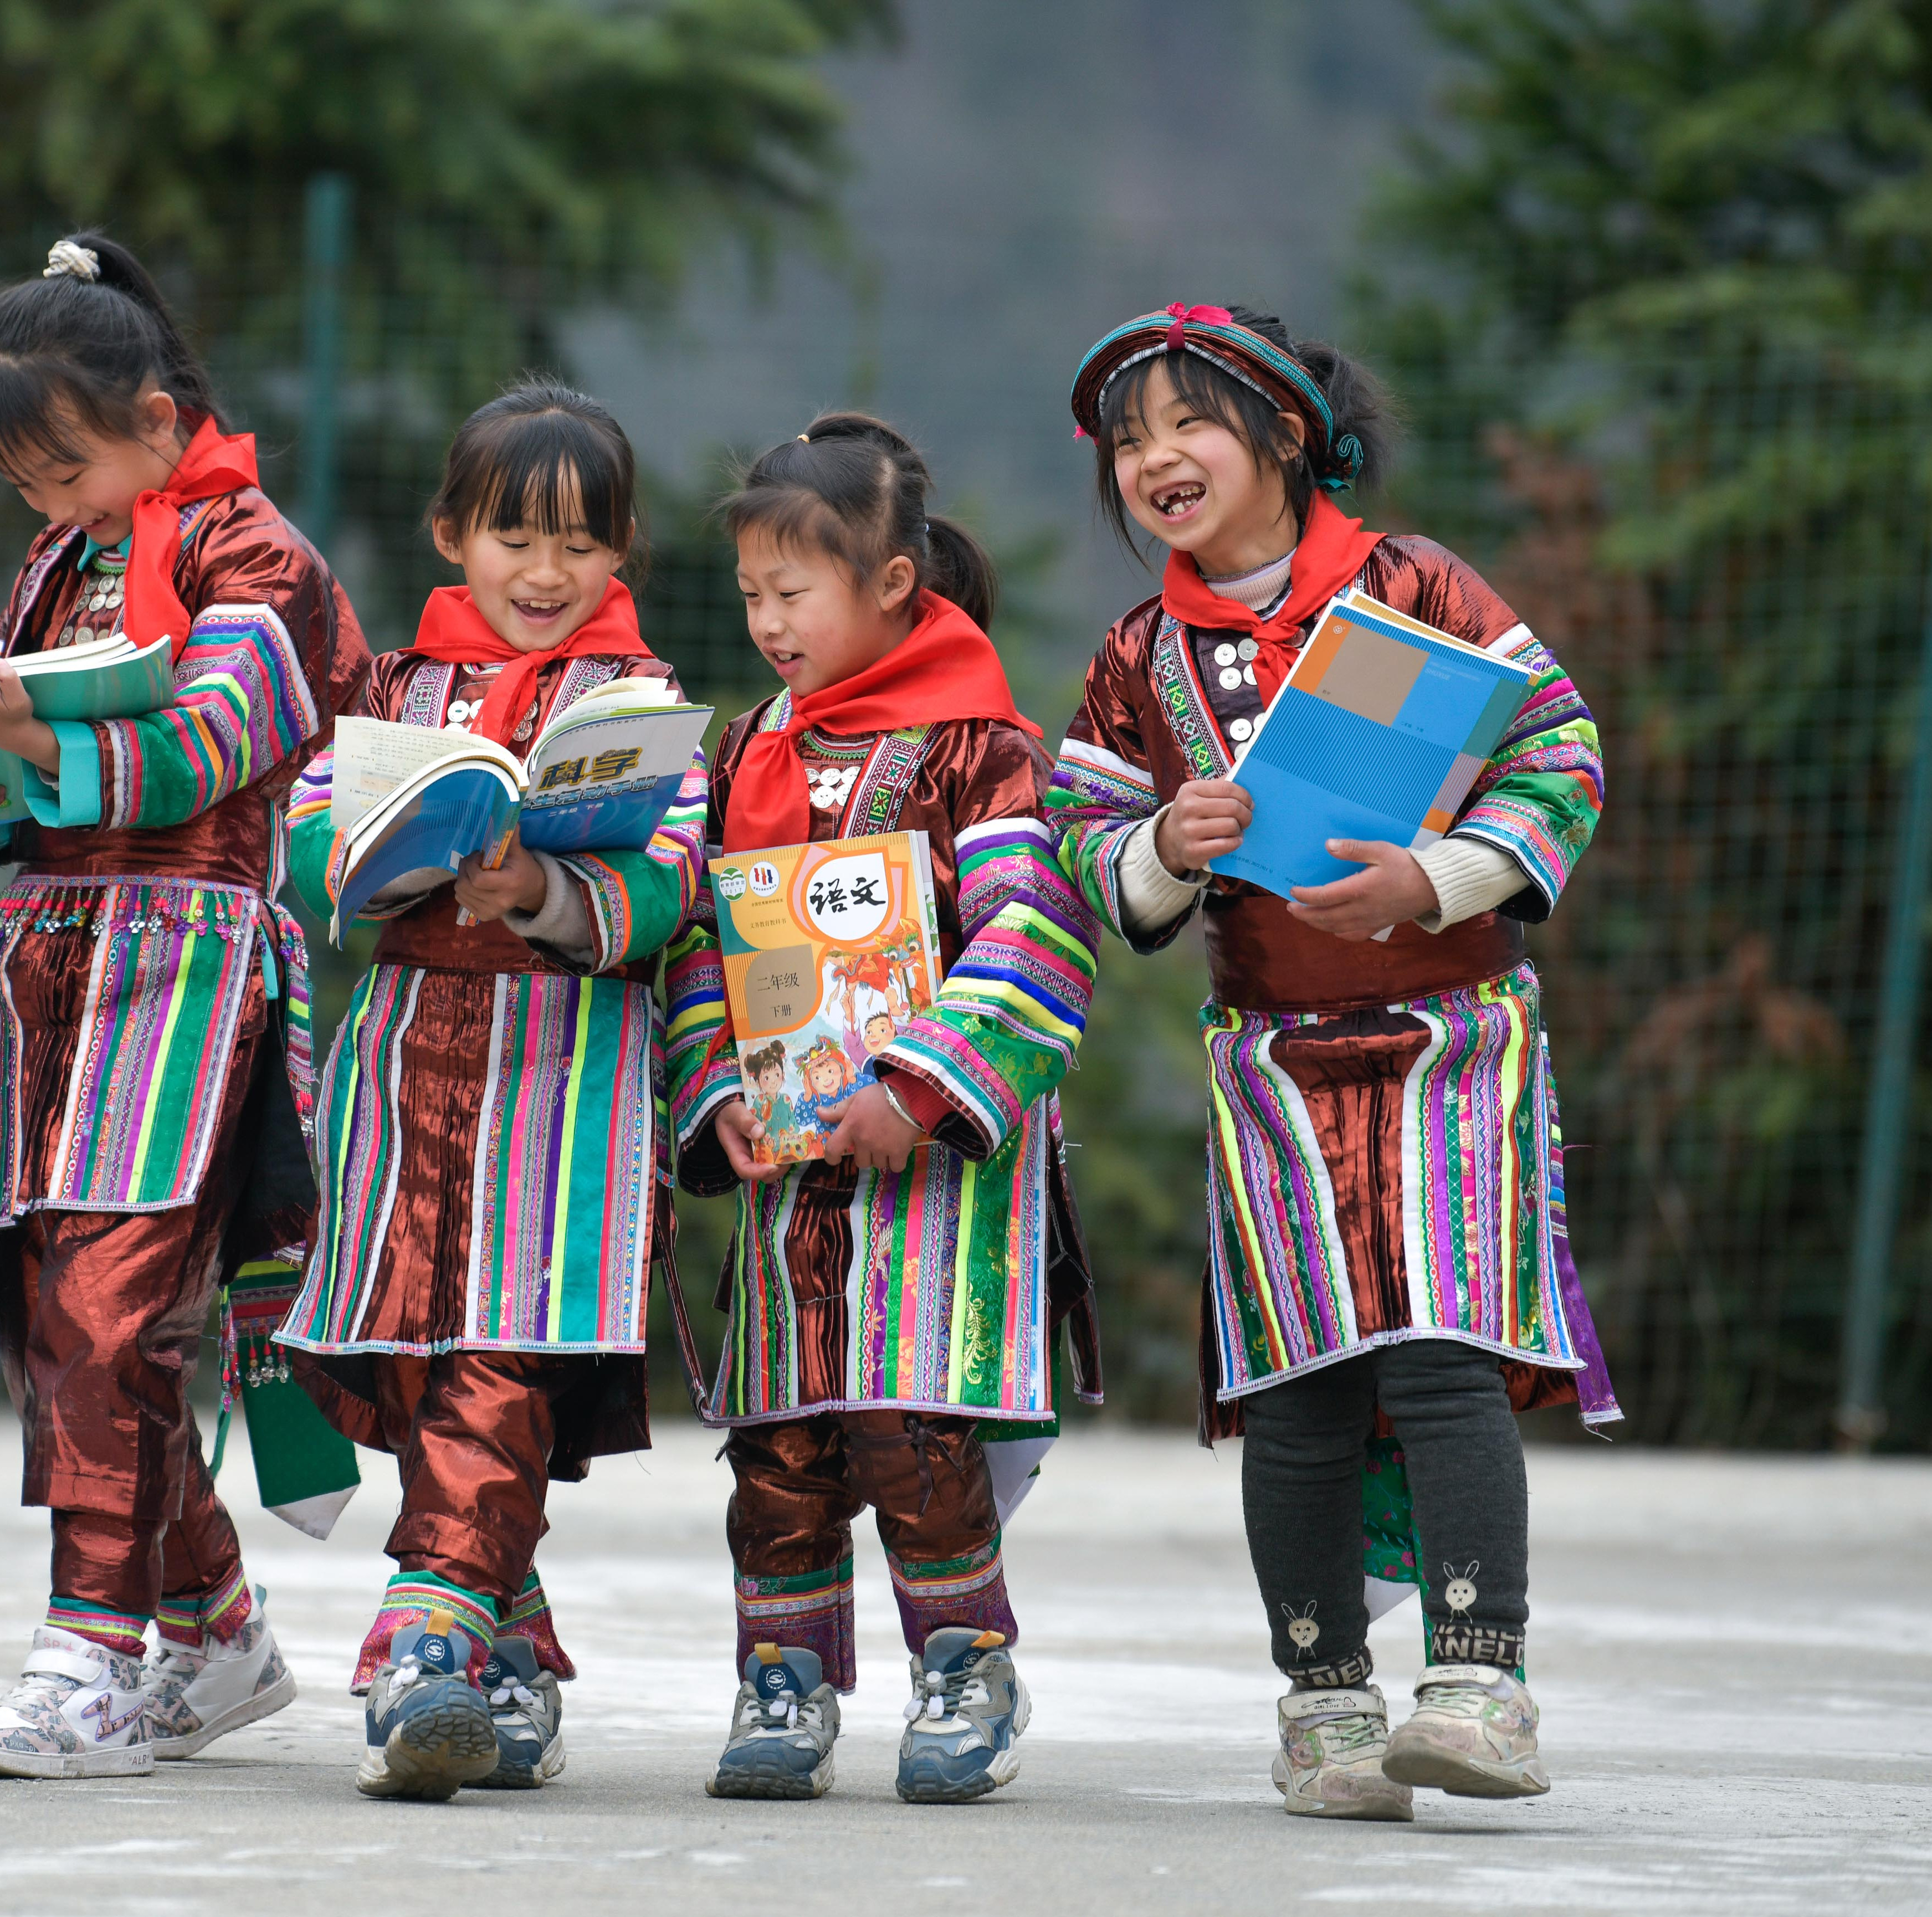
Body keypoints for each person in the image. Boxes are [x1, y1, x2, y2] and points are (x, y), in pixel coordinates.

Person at [1047, 304, 1617, 1823]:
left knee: (1441, 1354)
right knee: (1295, 1384)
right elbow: (1084, 839)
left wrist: (1434, 879)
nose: (1157, 459)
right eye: (1129, 441)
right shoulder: (1135, 655)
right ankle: (1326, 1707)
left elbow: (1562, 752)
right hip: (1270, 1063)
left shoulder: (1418, 584)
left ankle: (1481, 1684)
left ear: (1288, 433)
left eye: (1190, 423)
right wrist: (1166, 845)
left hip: (1456, 1041)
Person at [0, 233, 366, 1780]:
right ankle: (213, 1629)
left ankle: (90, 1660)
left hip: (183, 971)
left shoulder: (260, 557)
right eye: (26, 485)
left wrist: (30, 737)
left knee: (111, 1318)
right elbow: (32, 773)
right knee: (57, 1328)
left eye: (69, 469)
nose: (53, 505)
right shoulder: (67, 560)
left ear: (158, 421)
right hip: (49, 969)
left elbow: (211, 750)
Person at [276, 380, 708, 1802]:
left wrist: (541, 888)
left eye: (580, 543)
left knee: (503, 1356)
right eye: (515, 536)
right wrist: (382, 852)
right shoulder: (392, 692)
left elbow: (674, 880)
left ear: (622, 549)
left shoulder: (645, 706)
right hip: (402, 1065)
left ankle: (422, 1651)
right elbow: (311, 841)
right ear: (451, 533)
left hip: (565, 1082)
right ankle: (512, 1661)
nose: (545, 570)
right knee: (408, 1356)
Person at [666, 414, 1102, 1805]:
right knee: (780, 1445)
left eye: (794, 591)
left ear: (895, 583)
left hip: (934, 1180)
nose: (767, 622)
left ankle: (966, 1666)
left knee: (915, 1435)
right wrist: (715, 1092)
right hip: (793, 1171)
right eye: (751, 593)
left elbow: (1036, 928)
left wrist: (917, 1088)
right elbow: (697, 939)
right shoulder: (744, 749)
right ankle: (782, 1679)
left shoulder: (981, 747)